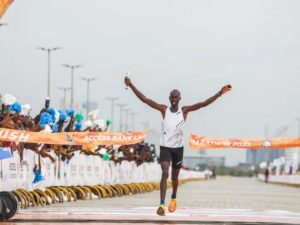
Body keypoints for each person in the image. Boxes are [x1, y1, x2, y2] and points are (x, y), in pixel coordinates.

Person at [124, 76, 231, 216]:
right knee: (165, 172)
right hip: (165, 147)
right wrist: (131, 85)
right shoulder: (164, 110)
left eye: (176, 97)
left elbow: (203, 104)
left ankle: (173, 198)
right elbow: (145, 100)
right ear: (169, 98)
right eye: (172, 97)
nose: (174, 99)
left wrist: (219, 93)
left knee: (174, 178)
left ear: (179, 99)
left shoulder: (184, 111)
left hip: (178, 150)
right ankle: (161, 204)